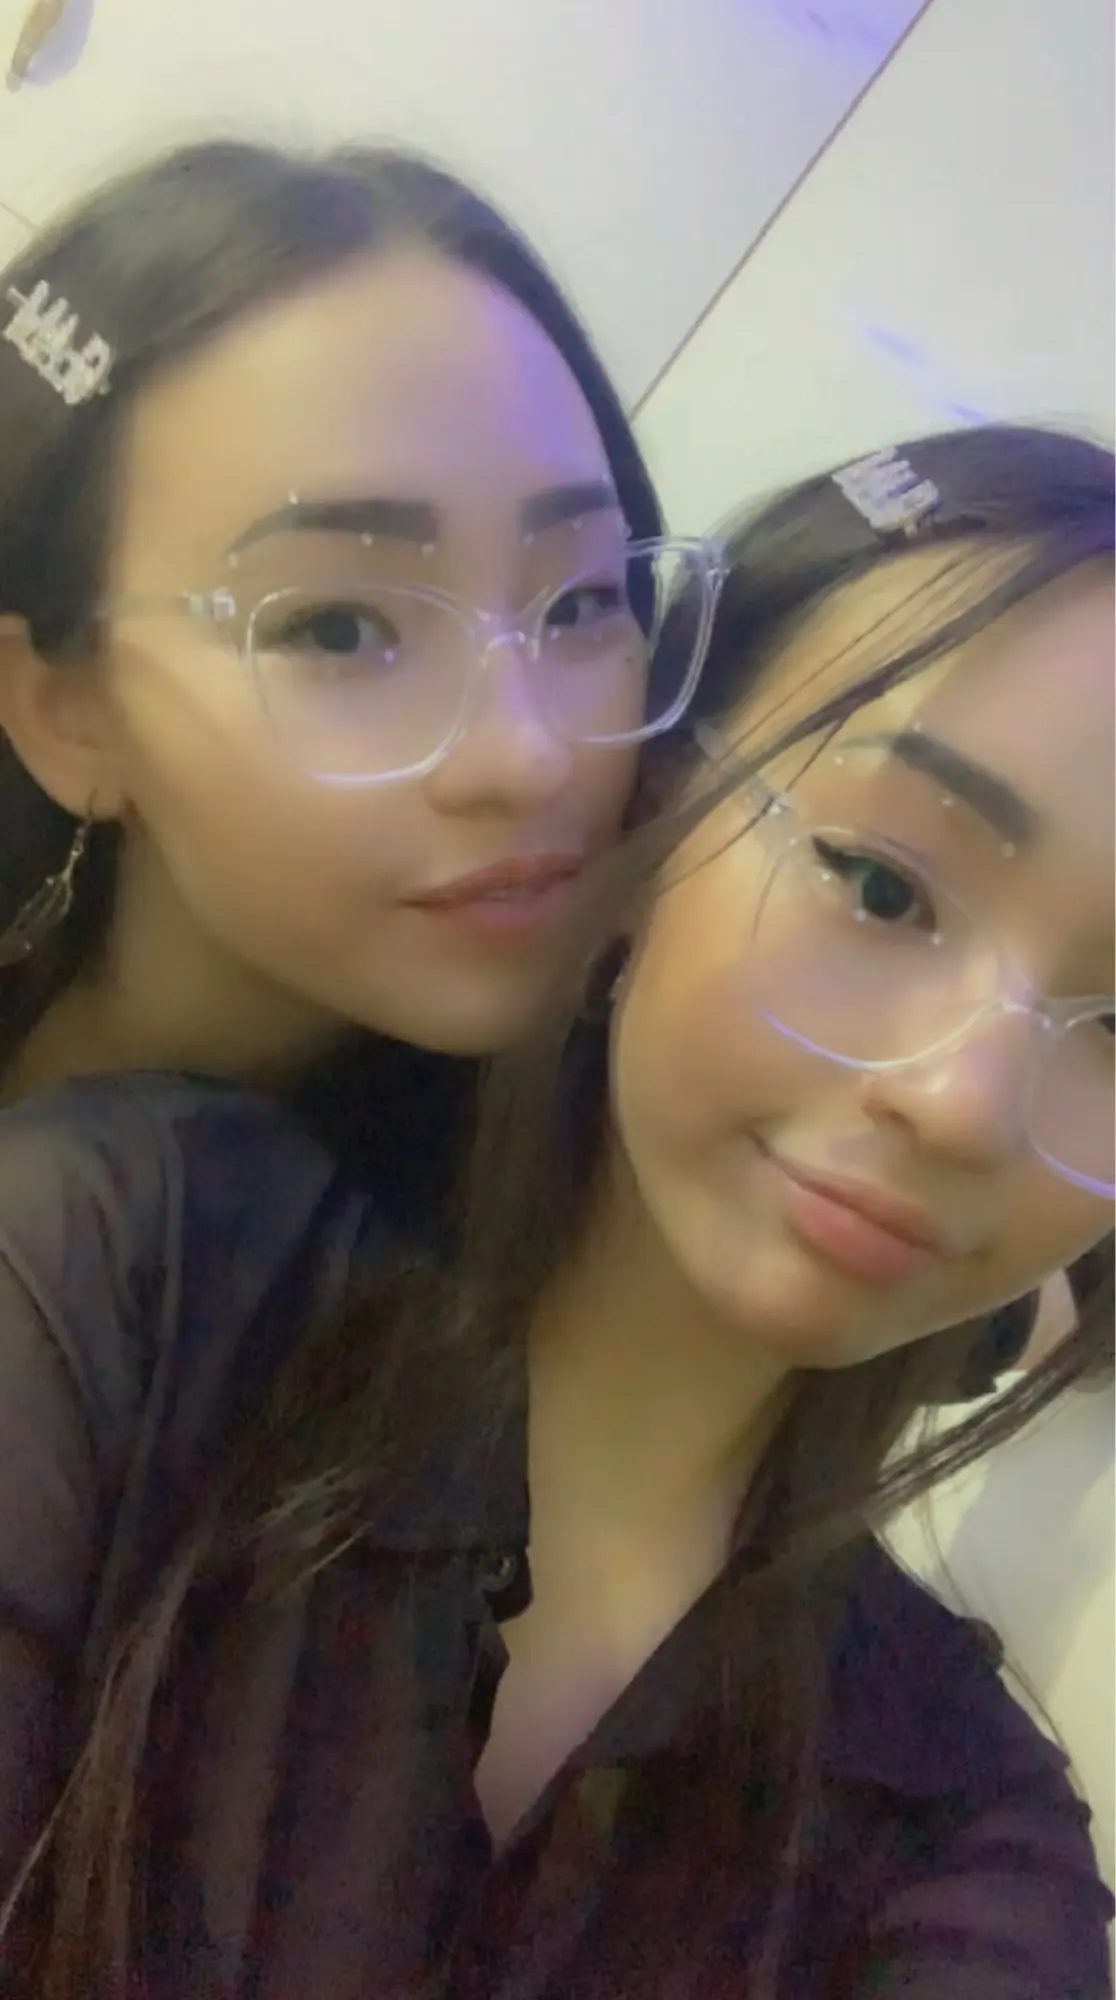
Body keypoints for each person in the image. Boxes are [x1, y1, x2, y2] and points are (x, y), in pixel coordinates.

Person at [0, 425, 1111, 1998]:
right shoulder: (123, 1271)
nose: (965, 1103)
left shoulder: (963, 1838)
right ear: (651, 813)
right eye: (879, 886)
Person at [0, 137, 724, 1226]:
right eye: (340, 628)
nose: (530, 754)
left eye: (579, 603)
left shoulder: (509, 1243)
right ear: (68, 714)